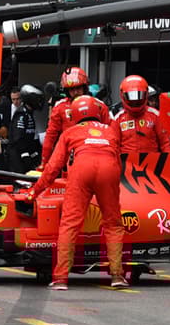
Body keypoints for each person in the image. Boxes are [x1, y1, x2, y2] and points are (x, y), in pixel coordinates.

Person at [25, 95, 127, 291]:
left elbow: (52, 168)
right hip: (109, 170)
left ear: (75, 114)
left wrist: (34, 192)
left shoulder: (70, 132)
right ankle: (117, 275)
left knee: (70, 224)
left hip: (81, 170)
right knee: (113, 224)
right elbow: (118, 159)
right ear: (97, 112)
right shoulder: (112, 131)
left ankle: (61, 278)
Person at [41, 67, 92, 168]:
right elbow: (51, 135)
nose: (75, 92)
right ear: (67, 90)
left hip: (91, 154)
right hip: (68, 156)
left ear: (84, 87)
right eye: (72, 89)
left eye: (78, 88)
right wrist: (44, 161)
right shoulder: (60, 107)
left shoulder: (96, 104)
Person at [111, 75, 170, 155]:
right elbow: (114, 146)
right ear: (123, 96)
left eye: (139, 95)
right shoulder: (118, 119)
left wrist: (168, 163)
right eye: (131, 96)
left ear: (146, 94)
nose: (135, 101)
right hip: (127, 164)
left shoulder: (155, 115)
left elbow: (165, 144)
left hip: (152, 164)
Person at [6, 84, 42, 173]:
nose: (16, 102)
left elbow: (30, 135)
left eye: (18, 99)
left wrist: (33, 153)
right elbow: (18, 138)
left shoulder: (28, 113)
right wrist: (24, 154)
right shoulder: (21, 113)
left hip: (26, 151)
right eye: (13, 99)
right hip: (17, 155)